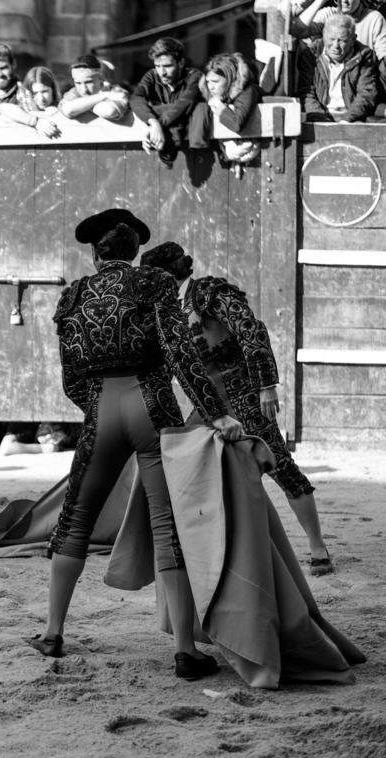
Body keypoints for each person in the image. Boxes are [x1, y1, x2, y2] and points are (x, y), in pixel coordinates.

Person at [31, 208, 243, 682]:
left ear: (94, 252)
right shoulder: (156, 285)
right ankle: (186, 651)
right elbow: (179, 352)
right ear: (136, 254)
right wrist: (217, 412)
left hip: (100, 410)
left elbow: (70, 378)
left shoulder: (73, 296)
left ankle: (52, 632)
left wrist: (98, 410)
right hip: (153, 409)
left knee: (75, 520)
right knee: (170, 526)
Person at [140, 241, 335, 576]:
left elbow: (251, 330)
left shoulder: (209, 293)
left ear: (165, 275)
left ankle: (318, 547)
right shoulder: (168, 308)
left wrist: (265, 384)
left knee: (279, 466)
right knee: (187, 468)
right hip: (208, 404)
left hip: (244, 396)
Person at [129, 37, 202, 165]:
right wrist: (152, 122)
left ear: (180, 63)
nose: (162, 72)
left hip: (199, 152)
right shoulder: (152, 75)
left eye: (167, 66)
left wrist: (159, 124)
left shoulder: (195, 76)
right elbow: (136, 98)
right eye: (158, 66)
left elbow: (185, 104)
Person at [188, 53, 263, 174]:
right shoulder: (208, 91)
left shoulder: (246, 91)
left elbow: (236, 124)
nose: (210, 86)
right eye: (207, 81)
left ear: (230, 80)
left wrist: (219, 106)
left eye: (215, 81)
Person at [297, 13, 378, 122]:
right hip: (319, 116)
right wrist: (322, 120)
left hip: (352, 118)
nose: (335, 46)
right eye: (331, 39)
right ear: (323, 35)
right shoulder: (311, 54)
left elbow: (366, 94)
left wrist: (347, 120)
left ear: (353, 39)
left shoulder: (364, 56)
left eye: (342, 40)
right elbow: (306, 93)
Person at [285, 0, 386, 60]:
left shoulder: (374, 18)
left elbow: (383, 59)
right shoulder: (329, 15)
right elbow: (298, 30)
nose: (344, 1)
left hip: (364, 80)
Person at [59, 54, 129, 121]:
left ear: (101, 78)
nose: (84, 90)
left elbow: (110, 111)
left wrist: (80, 106)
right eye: (78, 83)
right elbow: (68, 109)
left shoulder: (116, 91)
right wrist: (105, 95)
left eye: (89, 82)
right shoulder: (74, 92)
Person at [0, 65, 61, 138]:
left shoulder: (61, 104)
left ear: (53, 90)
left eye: (44, 91)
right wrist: (36, 122)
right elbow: (2, 107)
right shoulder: (24, 110)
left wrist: (58, 112)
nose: (40, 98)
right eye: (35, 93)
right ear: (28, 93)